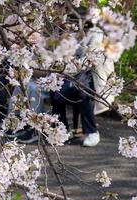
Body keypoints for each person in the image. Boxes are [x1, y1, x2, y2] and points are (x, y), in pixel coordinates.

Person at [49, 16, 115, 147]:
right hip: (72, 75)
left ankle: (92, 131)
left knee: (82, 93)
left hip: (94, 77)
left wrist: (66, 69)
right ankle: (62, 129)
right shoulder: (70, 33)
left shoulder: (96, 35)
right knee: (54, 88)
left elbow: (89, 60)